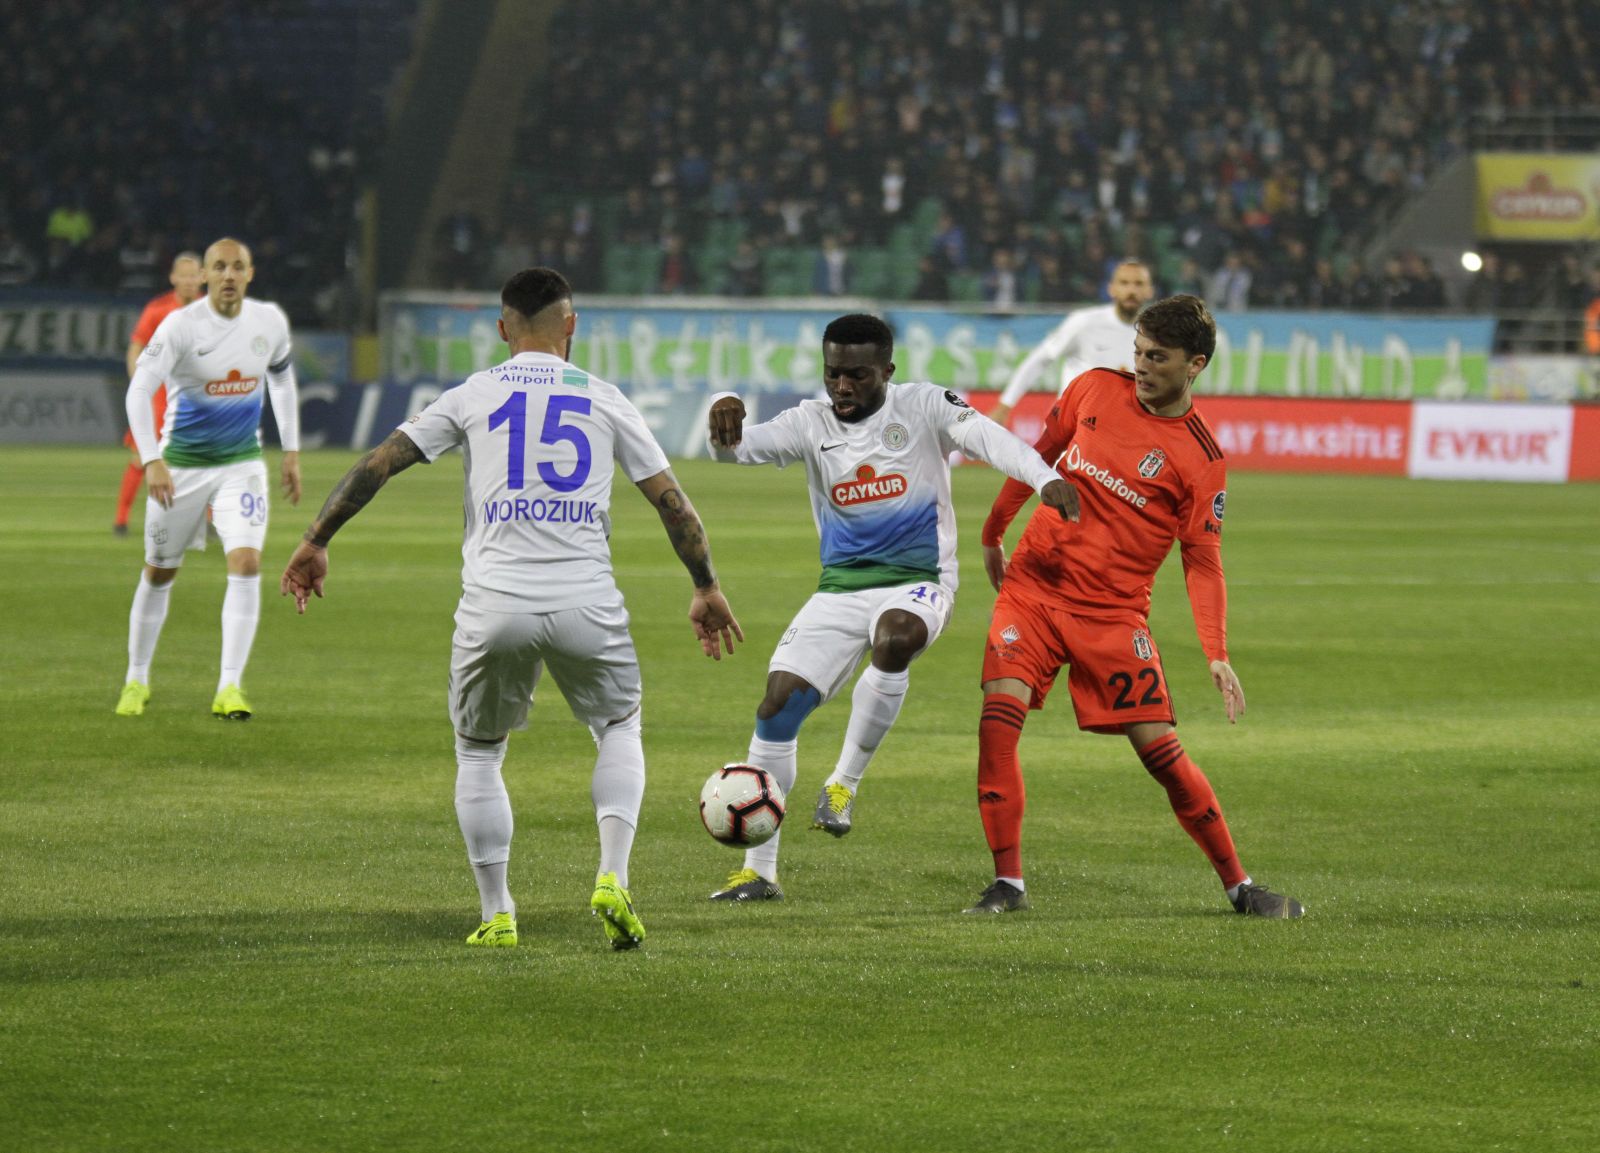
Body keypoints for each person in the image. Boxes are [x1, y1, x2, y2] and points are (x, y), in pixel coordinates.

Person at [280, 267, 741, 951]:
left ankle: (498, 913)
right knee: (619, 725)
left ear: (502, 329)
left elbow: (379, 462)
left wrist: (317, 538)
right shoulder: (605, 398)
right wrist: (704, 584)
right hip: (587, 599)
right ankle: (612, 876)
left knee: (479, 752)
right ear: (572, 326)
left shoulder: (473, 393)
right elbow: (672, 502)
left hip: (494, 602)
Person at [705, 312, 1077, 901]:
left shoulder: (925, 406)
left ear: (887, 371)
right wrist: (723, 408)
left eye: (856, 375)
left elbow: (986, 436)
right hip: (839, 590)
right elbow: (736, 452)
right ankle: (759, 872)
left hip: (919, 583)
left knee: (895, 637)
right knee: (776, 707)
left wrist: (1041, 476)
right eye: (833, 375)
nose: (842, 387)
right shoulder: (811, 421)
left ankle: (843, 785)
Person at [967, 294, 1303, 919]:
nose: (1143, 367)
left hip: (1114, 614)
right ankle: (1007, 884)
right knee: (998, 719)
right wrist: (994, 530)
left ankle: (1240, 886)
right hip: (1035, 589)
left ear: (1194, 364)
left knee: (1163, 757)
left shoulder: (1201, 461)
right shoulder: (1093, 388)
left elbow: (1201, 560)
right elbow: (1036, 456)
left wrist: (1217, 652)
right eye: (1139, 353)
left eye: (1159, 358)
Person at [114, 238, 301, 721]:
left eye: (238, 266)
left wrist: (292, 450)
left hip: (242, 466)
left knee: (245, 563)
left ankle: (230, 687)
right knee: (159, 571)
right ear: (205, 276)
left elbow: (281, 378)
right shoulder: (180, 325)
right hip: (181, 469)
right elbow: (139, 391)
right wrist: (152, 458)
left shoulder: (270, 322)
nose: (229, 275)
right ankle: (136, 678)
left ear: (250, 273)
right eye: (220, 267)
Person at [987, 258, 1155, 428]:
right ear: (1111, 289)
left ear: (1150, 291)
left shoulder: (1155, 336)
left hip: (1116, 435)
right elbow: (1040, 359)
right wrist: (1005, 405)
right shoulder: (1084, 322)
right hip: (1070, 432)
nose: (1131, 290)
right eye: (1124, 283)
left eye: (1138, 284)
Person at [114, 252, 204, 535]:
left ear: (202, 277)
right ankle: (121, 519)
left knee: (207, 457)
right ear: (173, 278)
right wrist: (139, 383)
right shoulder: (158, 309)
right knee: (142, 456)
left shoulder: (212, 308)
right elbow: (136, 347)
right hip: (162, 393)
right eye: (184, 275)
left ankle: (210, 519)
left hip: (198, 393)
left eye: (194, 275)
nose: (189, 281)